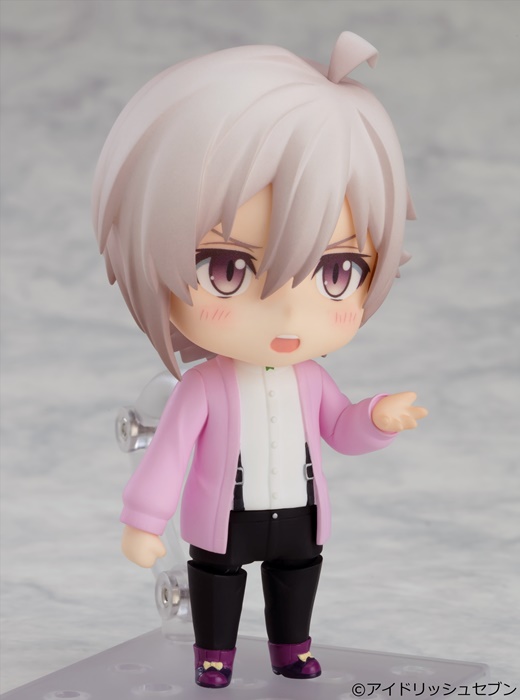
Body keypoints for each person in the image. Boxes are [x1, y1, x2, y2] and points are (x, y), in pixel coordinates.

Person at [92, 31, 427, 689]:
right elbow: (168, 455)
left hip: (298, 514)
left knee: (297, 577)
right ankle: (213, 655)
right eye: (227, 269)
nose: (286, 312)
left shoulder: (312, 379)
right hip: (228, 517)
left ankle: (291, 649)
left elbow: (339, 430)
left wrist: (376, 419)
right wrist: (143, 521)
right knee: (217, 579)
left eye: (336, 271)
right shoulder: (203, 388)